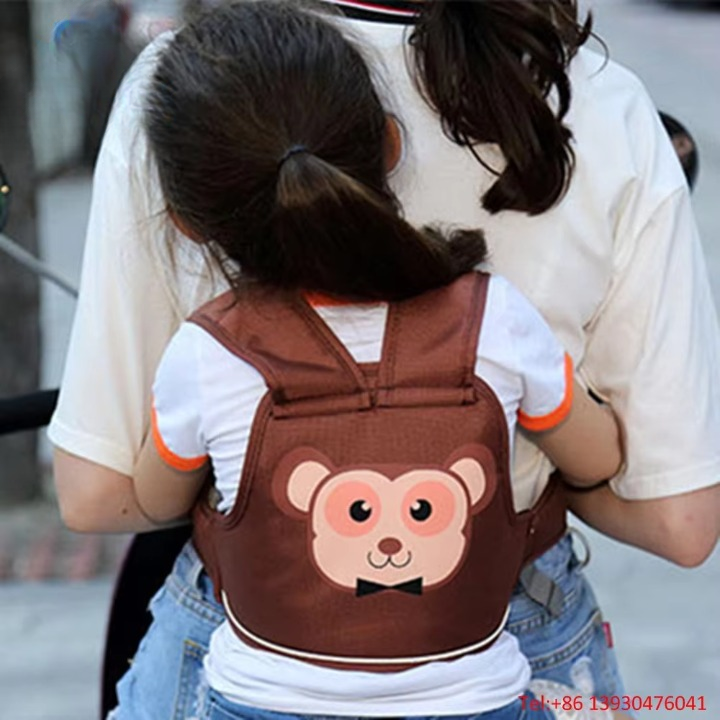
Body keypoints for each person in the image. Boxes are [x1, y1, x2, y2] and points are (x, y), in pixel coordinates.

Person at [49, 0, 720, 717]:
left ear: (183, 220)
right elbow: (679, 522)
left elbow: (98, 494)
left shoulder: (194, 78)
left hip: (245, 648)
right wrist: (510, 463)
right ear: (388, 150)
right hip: (508, 644)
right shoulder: (598, 102)